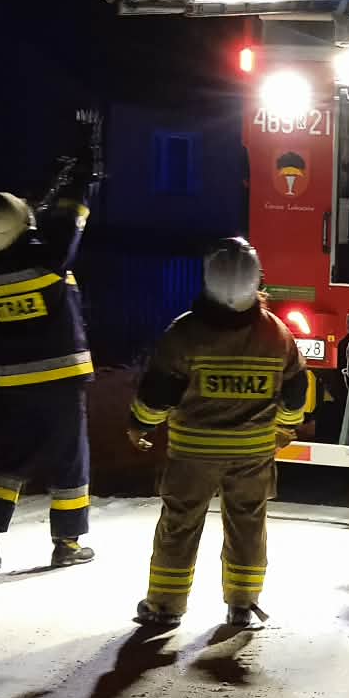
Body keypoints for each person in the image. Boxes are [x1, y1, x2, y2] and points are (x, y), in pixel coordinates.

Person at [127, 237, 310, 629]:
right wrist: (286, 427)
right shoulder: (277, 334)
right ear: (256, 279)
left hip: (192, 453)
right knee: (247, 525)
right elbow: (296, 392)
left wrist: (141, 425)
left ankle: (165, 606)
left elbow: (157, 394)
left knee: (180, 524)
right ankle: (243, 605)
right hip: (253, 454)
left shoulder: (184, 334)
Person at [0, 121, 102, 575]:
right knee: (70, 458)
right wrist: (84, 174)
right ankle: (66, 542)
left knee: (9, 458)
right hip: (61, 379)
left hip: (14, 381)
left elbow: (22, 219)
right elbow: (67, 221)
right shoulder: (47, 260)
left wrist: (51, 177)